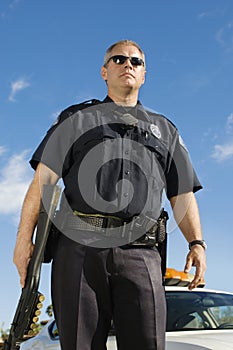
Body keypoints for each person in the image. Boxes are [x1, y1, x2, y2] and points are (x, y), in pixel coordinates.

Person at [13, 39, 206, 350]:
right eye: (118, 60)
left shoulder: (165, 130)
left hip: (142, 253)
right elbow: (42, 182)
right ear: (104, 71)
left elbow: (181, 193)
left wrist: (197, 243)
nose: (127, 65)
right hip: (79, 250)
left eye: (135, 61)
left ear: (144, 74)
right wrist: (24, 241)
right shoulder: (75, 119)